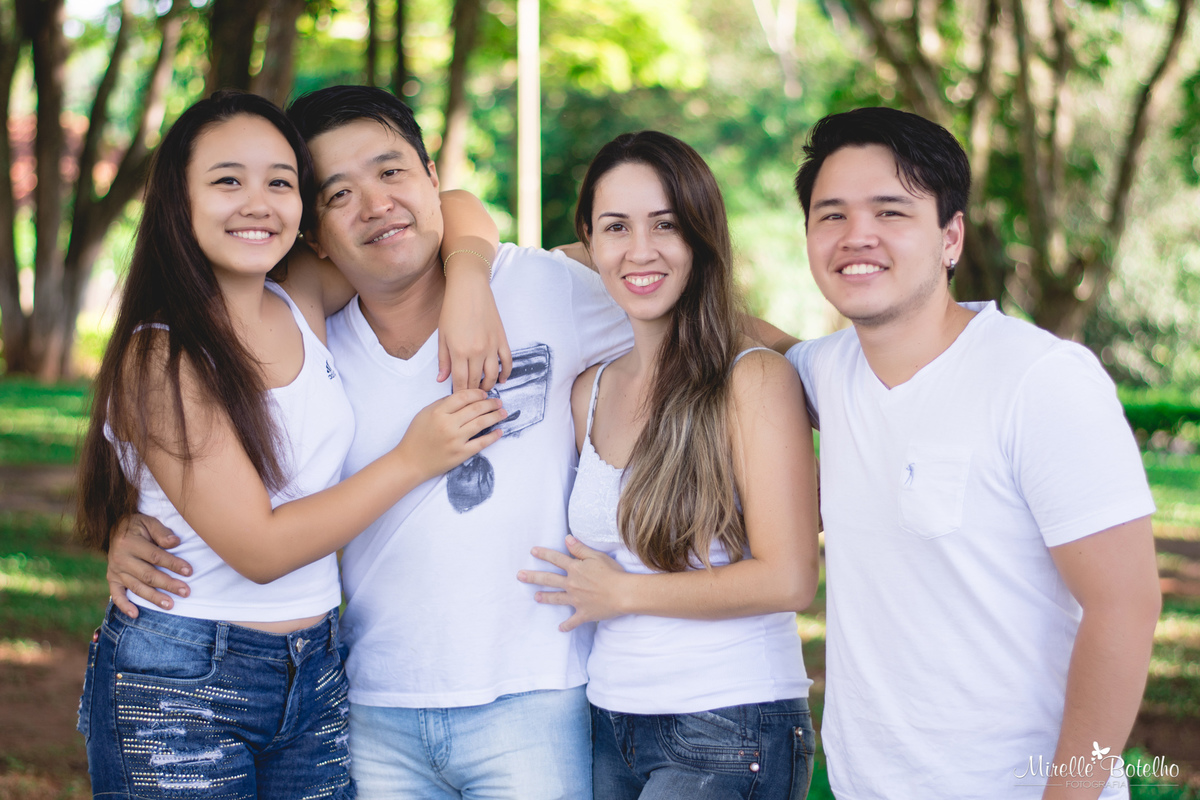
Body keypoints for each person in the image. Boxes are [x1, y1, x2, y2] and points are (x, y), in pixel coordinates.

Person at [105, 85, 634, 799]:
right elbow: (249, 532)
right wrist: (415, 459)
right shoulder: (243, 331)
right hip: (276, 687)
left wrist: (470, 278)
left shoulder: (322, 296)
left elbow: (448, 208)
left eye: (279, 183)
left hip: (403, 685)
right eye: (336, 193)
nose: (376, 204)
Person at [766, 107, 1161, 799]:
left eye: (890, 211)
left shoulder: (1039, 379)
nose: (857, 235)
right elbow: (724, 328)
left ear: (951, 237)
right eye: (831, 215)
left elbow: (1126, 607)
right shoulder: (827, 371)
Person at [517, 131, 821, 799]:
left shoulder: (753, 381)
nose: (641, 250)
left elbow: (791, 578)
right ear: (588, 241)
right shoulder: (590, 390)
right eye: (616, 227)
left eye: (667, 224)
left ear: (701, 237)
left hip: (730, 723)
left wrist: (625, 594)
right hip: (610, 721)